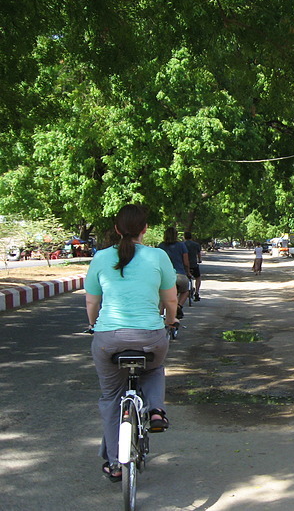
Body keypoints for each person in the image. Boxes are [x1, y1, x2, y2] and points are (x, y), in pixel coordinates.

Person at [85, 204, 177, 482]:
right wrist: (170, 322)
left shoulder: (101, 257)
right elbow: (171, 300)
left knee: (111, 398)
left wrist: (92, 324)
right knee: (154, 368)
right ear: (145, 229)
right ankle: (156, 410)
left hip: (107, 339)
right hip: (151, 336)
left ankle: (114, 464)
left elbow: (92, 301)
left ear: (116, 229)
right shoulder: (158, 256)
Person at [158, 227, 191, 318]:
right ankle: (178, 306)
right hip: (179, 275)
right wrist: (188, 272)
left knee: (163, 297)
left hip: (164, 277)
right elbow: (186, 262)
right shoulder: (181, 246)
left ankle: (160, 317)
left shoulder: (161, 246)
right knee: (186, 290)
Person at [183, 231, 202, 301]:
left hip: (184, 265)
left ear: (184, 237)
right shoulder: (196, 244)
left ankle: (184, 291)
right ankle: (197, 292)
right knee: (198, 278)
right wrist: (199, 260)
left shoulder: (182, 244)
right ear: (191, 237)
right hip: (194, 264)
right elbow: (199, 253)